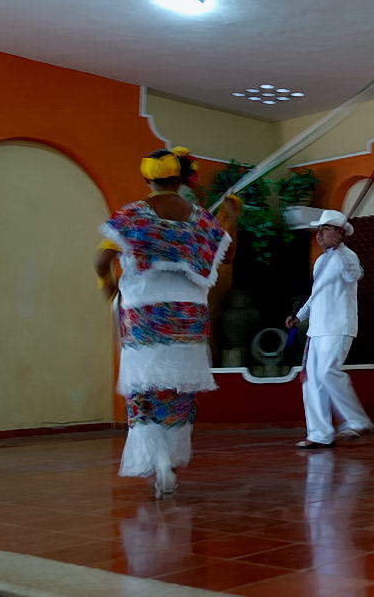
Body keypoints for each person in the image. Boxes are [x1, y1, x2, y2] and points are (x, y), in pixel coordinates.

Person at [95, 147, 237, 497]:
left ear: (147, 179)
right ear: (182, 178)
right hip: (188, 317)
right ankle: (169, 461)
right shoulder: (201, 218)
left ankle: (156, 458)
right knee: (178, 391)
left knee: (143, 389)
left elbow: (102, 261)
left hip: (144, 313)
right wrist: (232, 214)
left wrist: (109, 289)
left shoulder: (133, 215)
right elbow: (228, 254)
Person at [285, 209, 373, 449]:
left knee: (326, 372)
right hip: (317, 329)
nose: (319, 235)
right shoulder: (321, 261)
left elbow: (355, 275)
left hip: (338, 326)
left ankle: (357, 421)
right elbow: (316, 296)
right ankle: (319, 434)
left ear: (339, 232)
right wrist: (299, 317)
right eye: (319, 230)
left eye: (325, 229)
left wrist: (341, 251)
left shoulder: (348, 256)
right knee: (312, 381)